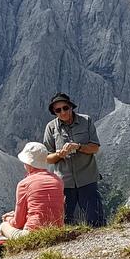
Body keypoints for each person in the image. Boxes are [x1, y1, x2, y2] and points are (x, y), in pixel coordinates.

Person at [42, 93, 104, 227]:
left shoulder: (86, 121)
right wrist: (59, 154)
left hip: (87, 179)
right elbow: (48, 158)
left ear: (71, 107)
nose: (62, 112)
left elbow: (95, 148)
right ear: (54, 112)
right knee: (67, 224)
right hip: (65, 183)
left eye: (65, 108)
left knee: (96, 221)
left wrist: (79, 146)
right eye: (58, 110)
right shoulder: (51, 127)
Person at [0, 142, 64, 238]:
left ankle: (16, 251)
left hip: (32, 235)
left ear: (29, 163)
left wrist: (8, 218)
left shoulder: (24, 184)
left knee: (3, 226)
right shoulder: (58, 181)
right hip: (57, 232)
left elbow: (18, 223)